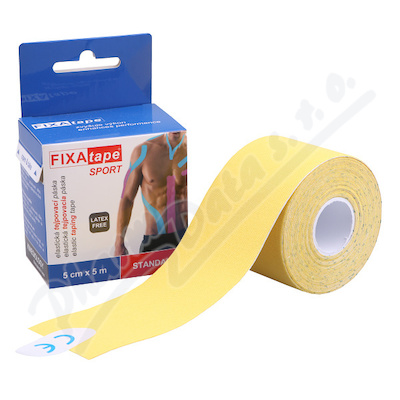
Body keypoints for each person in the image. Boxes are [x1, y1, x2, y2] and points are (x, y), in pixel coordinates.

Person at [114, 131, 187, 255]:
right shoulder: (143, 151)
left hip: (187, 237)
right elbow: (127, 198)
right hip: (154, 240)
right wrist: (119, 243)